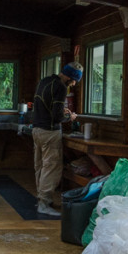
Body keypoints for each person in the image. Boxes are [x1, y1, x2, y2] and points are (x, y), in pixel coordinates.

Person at [31, 61, 82, 216]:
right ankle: (44, 203)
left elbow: (47, 106)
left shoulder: (45, 81)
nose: (73, 84)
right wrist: (70, 116)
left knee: (40, 165)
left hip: (37, 130)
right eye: (74, 81)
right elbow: (57, 116)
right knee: (51, 167)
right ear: (70, 77)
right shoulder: (60, 87)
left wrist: (61, 111)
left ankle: (41, 199)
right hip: (50, 132)